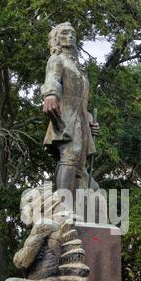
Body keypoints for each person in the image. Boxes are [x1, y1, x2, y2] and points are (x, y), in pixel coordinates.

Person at [42, 22, 100, 197]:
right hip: (66, 115)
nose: (70, 36)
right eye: (65, 33)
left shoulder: (80, 69)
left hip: (81, 118)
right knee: (70, 155)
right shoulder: (57, 59)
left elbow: (82, 100)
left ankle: (78, 205)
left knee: (80, 165)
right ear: (56, 39)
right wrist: (50, 94)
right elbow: (52, 79)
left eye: (73, 33)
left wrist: (90, 120)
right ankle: (61, 205)